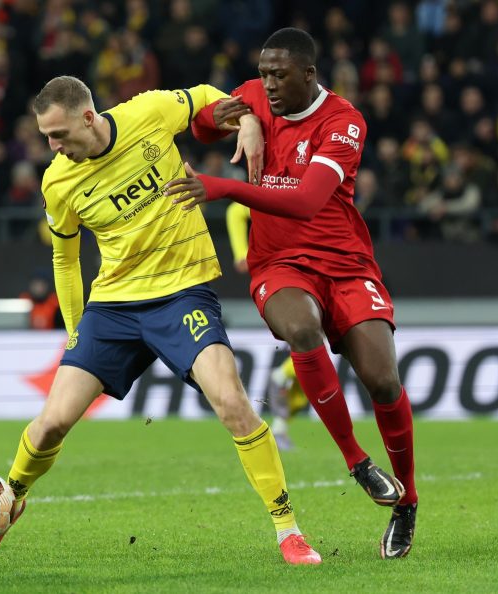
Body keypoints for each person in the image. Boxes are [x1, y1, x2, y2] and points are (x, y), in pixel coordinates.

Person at [0, 75, 321, 566]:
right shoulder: (57, 181)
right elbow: (65, 261)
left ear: (88, 118)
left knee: (234, 404)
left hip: (182, 294)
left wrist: (250, 121)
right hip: (113, 307)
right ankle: (7, 505)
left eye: (59, 134)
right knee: (51, 424)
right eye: (47, 136)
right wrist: (72, 331)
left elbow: (212, 97)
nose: (53, 146)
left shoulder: (147, 113)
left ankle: (288, 531)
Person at [164, 27, 419, 559]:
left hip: (347, 265)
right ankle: (356, 461)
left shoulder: (345, 122)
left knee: (384, 382)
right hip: (278, 264)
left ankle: (407, 501)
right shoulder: (258, 96)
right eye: (263, 74)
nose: (269, 83)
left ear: (310, 74)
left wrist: (220, 187)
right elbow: (202, 123)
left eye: (280, 75)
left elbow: (306, 201)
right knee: (301, 329)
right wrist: (246, 116)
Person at [226, 201, 307, 450]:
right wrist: (241, 253)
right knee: (312, 348)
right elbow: (236, 210)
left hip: (309, 266)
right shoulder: (278, 186)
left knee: (313, 366)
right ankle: (285, 373)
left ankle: (284, 380)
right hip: (285, 273)